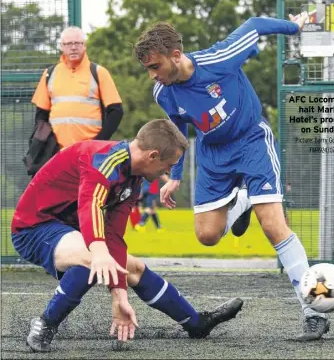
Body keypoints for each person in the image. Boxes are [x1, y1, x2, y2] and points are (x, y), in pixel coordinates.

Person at [134, 12, 330, 341]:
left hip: (252, 141)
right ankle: (241, 203)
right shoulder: (163, 93)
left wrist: (294, 26)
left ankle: (314, 311)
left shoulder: (219, 58)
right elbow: (178, 129)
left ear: (176, 56)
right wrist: (176, 176)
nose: (152, 76)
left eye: (155, 67)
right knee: (207, 235)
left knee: (273, 225)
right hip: (213, 155)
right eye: (148, 69)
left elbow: (254, 25)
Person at [11, 119, 243, 353]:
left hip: (71, 230)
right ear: (152, 156)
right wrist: (100, 253)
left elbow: (113, 236)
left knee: (133, 268)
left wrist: (119, 296)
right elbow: (89, 205)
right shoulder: (105, 161)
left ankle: (195, 324)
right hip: (34, 228)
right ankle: (44, 325)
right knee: (95, 259)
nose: (168, 172)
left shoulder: (134, 179)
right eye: (169, 165)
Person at [31, 26, 124, 150]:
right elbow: (41, 115)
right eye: (68, 43)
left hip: (89, 151)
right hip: (56, 152)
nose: (73, 47)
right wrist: (47, 145)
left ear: (84, 45)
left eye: (77, 43)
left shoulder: (98, 72)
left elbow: (116, 111)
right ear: (62, 46)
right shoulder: (50, 73)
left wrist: (98, 143)